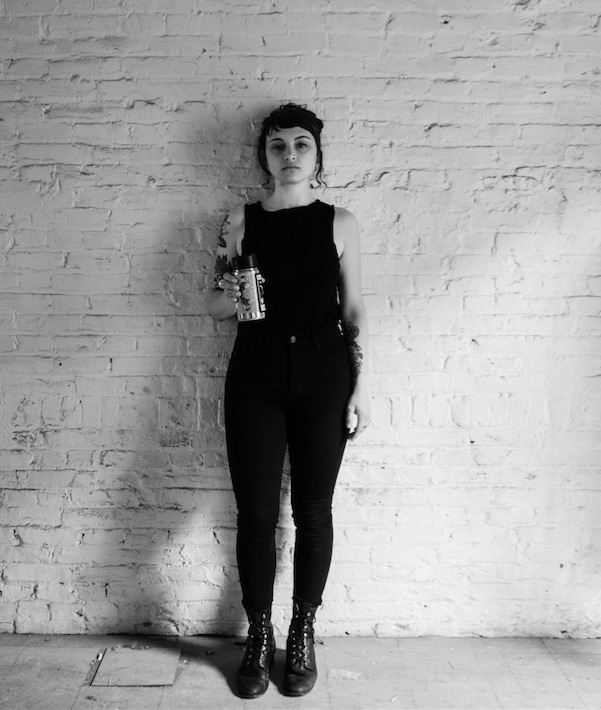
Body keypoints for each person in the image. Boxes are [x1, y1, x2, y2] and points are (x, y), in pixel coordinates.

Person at [208, 103, 370, 699]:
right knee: (255, 515)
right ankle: (259, 634)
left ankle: (302, 631)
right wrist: (234, 289)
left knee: (313, 511)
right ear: (265, 156)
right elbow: (215, 308)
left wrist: (361, 386)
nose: (290, 155)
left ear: (317, 155)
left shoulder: (340, 222)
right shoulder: (239, 220)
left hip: (326, 372)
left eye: (302, 144)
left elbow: (354, 309)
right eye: (278, 145)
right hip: (256, 371)